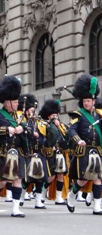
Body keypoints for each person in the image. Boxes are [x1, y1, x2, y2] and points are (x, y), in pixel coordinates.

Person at [0, 75, 26, 217]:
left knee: (17, 179)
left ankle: (15, 208)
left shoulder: (19, 117)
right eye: (15, 102)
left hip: (17, 151)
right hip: (3, 152)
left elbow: (29, 130)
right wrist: (7, 130)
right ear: (7, 103)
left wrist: (24, 129)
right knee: (2, 181)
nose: (17, 104)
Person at [67, 74, 102, 215]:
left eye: (89, 101)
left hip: (97, 150)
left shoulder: (99, 116)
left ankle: (97, 206)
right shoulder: (78, 115)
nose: (86, 103)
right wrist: (77, 140)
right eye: (84, 101)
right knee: (82, 180)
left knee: (98, 178)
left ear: (93, 101)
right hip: (85, 151)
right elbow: (71, 129)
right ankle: (72, 195)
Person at [37, 99, 69, 207]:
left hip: (60, 153)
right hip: (50, 153)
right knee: (50, 176)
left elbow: (65, 138)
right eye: (53, 115)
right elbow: (43, 140)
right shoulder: (44, 125)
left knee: (61, 174)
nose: (55, 116)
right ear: (48, 116)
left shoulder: (61, 126)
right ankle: (42, 193)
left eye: (56, 114)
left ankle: (59, 197)